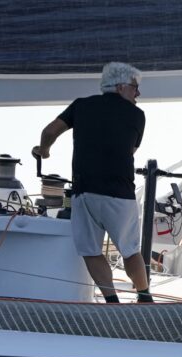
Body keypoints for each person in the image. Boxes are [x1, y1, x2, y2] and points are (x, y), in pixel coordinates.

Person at [32, 62, 152, 303]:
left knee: (91, 251)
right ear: (120, 87)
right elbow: (129, 150)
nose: (138, 93)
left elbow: (49, 132)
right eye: (135, 87)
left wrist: (43, 151)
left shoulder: (81, 105)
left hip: (85, 192)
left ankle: (112, 302)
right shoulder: (137, 115)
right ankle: (145, 297)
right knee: (130, 251)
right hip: (121, 194)